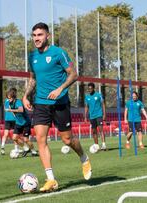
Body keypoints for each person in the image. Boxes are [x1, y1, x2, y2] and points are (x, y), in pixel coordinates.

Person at [22, 22, 92, 193]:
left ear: (47, 36)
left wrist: (60, 88)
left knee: (67, 140)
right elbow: (33, 79)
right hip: (41, 104)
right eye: (34, 35)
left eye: (40, 35)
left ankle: (84, 157)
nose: (36, 38)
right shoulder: (32, 57)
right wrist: (26, 95)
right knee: (40, 139)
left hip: (60, 103)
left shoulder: (58, 53)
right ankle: (51, 179)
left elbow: (74, 74)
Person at [5, 90, 38, 157]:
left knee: (26, 139)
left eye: (10, 98)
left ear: (13, 97)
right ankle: (26, 148)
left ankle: (34, 151)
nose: (9, 100)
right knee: (14, 138)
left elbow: (21, 110)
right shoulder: (9, 103)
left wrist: (10, 110)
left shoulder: (18, 101)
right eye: (8, 98)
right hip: (18, 122)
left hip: (26, 122)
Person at [84, 83, 107, 151]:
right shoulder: (87, 97)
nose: (89, 90)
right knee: (94, 131)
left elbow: (103, 104)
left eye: (91, 88)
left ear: (93, 88)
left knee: (101, 130)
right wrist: (85, 116)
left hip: (99, 115)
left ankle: (103, 145)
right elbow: (86, 106)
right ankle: (96, 145)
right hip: (92, 116)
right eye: (88, 89)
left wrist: (104, 114)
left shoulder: (98, 95)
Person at [0, 88, 19, 155]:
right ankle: (2, 147)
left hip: (14, 120)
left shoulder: (16, 101)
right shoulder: (7, 101)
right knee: (6, 134)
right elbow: (6, 108)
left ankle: (16, 148)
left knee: (15, 135)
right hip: (8, 120)